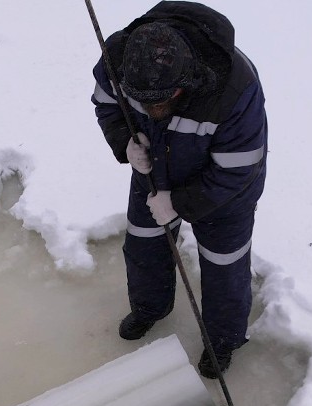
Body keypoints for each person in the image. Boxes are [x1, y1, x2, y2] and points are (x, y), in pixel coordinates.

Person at [91, 1, 267, 378]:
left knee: (225, 264)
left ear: (187, 82)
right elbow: (105, 105)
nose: (152, 110)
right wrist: (125, 141)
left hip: (226, 195)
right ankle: (149, 309)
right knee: (143, 243)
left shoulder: (234, 86)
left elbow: (239, 167)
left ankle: (223, 339)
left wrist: (181, 202)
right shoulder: (116, 60)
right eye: (143, 102)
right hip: (154, 173)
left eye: (162, 102)